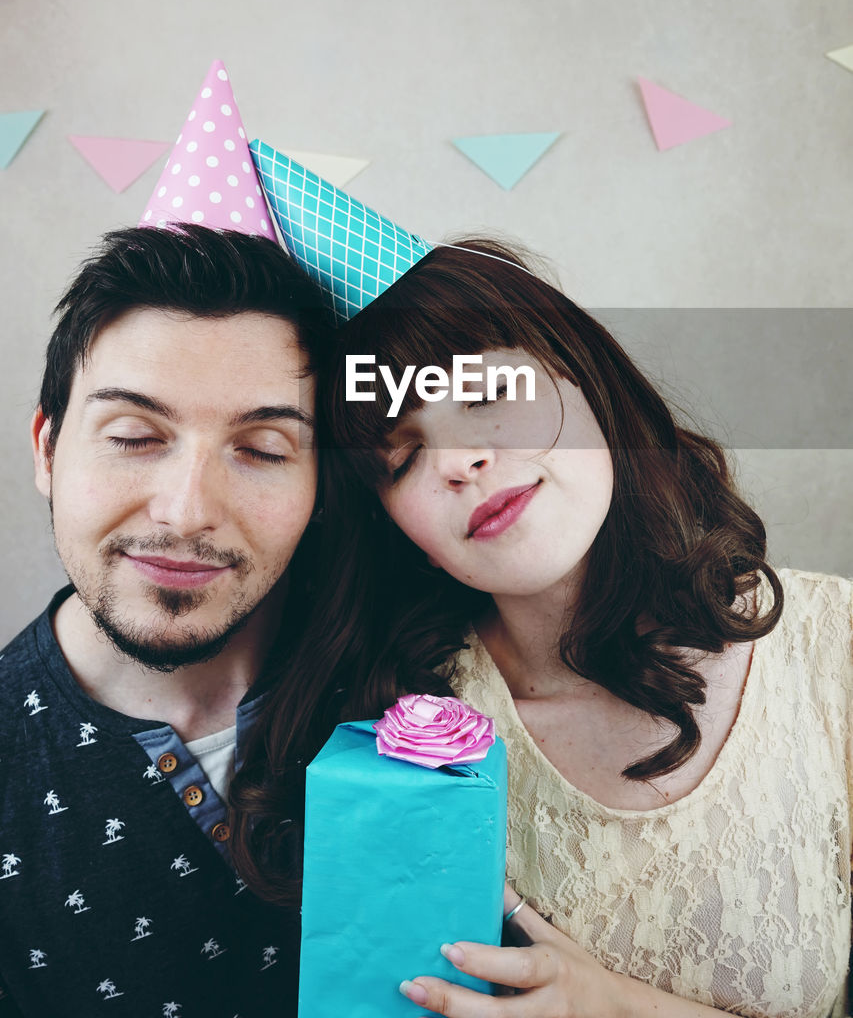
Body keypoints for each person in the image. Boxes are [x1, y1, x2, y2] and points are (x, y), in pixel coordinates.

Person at [233, 234, 852, 1018]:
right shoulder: (394, 735)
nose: (459, 460)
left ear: (588, 381)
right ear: (400, 533)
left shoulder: (833, 646)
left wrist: (614, 1006)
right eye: (402, 457)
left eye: (487, 394)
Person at [0, 223, 329, 1017]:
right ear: (47, 450)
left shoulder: (429, 686)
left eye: (262, 448)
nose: (186, 513)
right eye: (135, 437)